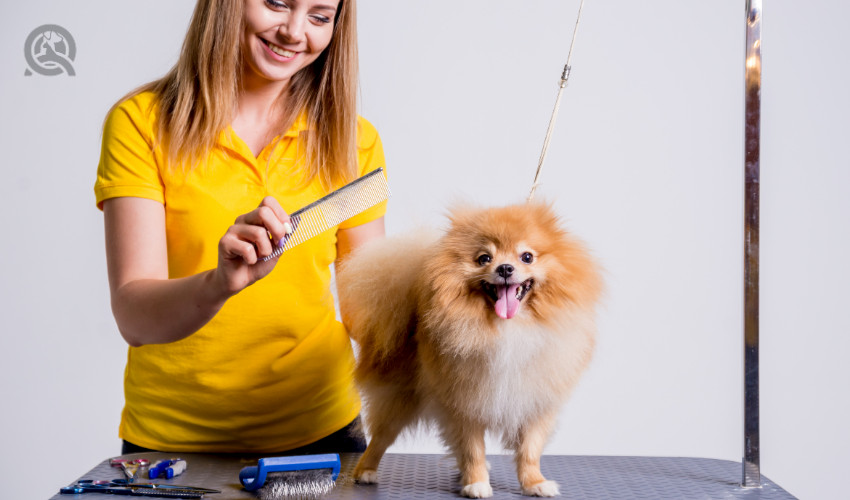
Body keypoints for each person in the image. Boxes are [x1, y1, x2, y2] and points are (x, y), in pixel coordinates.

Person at [94, 0, 386, 455]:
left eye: (319, 16)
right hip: (173, 443)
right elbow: (133, 317)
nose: (293, 31)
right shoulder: (140, 124)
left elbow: (371, 314)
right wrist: (218, 283)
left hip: (322, 431)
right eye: (276, 3)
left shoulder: (354, 141)